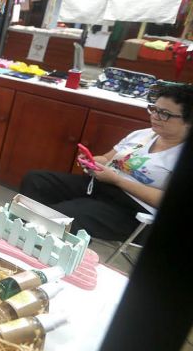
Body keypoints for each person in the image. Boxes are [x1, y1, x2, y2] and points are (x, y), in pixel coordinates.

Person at [20, 85, 192, 242]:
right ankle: (25, 234)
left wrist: (118, 181)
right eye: (154, 109)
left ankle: (48, 243)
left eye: (164, 114)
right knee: (36, 180)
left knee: (65, 215)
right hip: (103, 186)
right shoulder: (142, 135)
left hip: (134, 210)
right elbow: (108, 159)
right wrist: (93, 161)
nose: (155, 116)